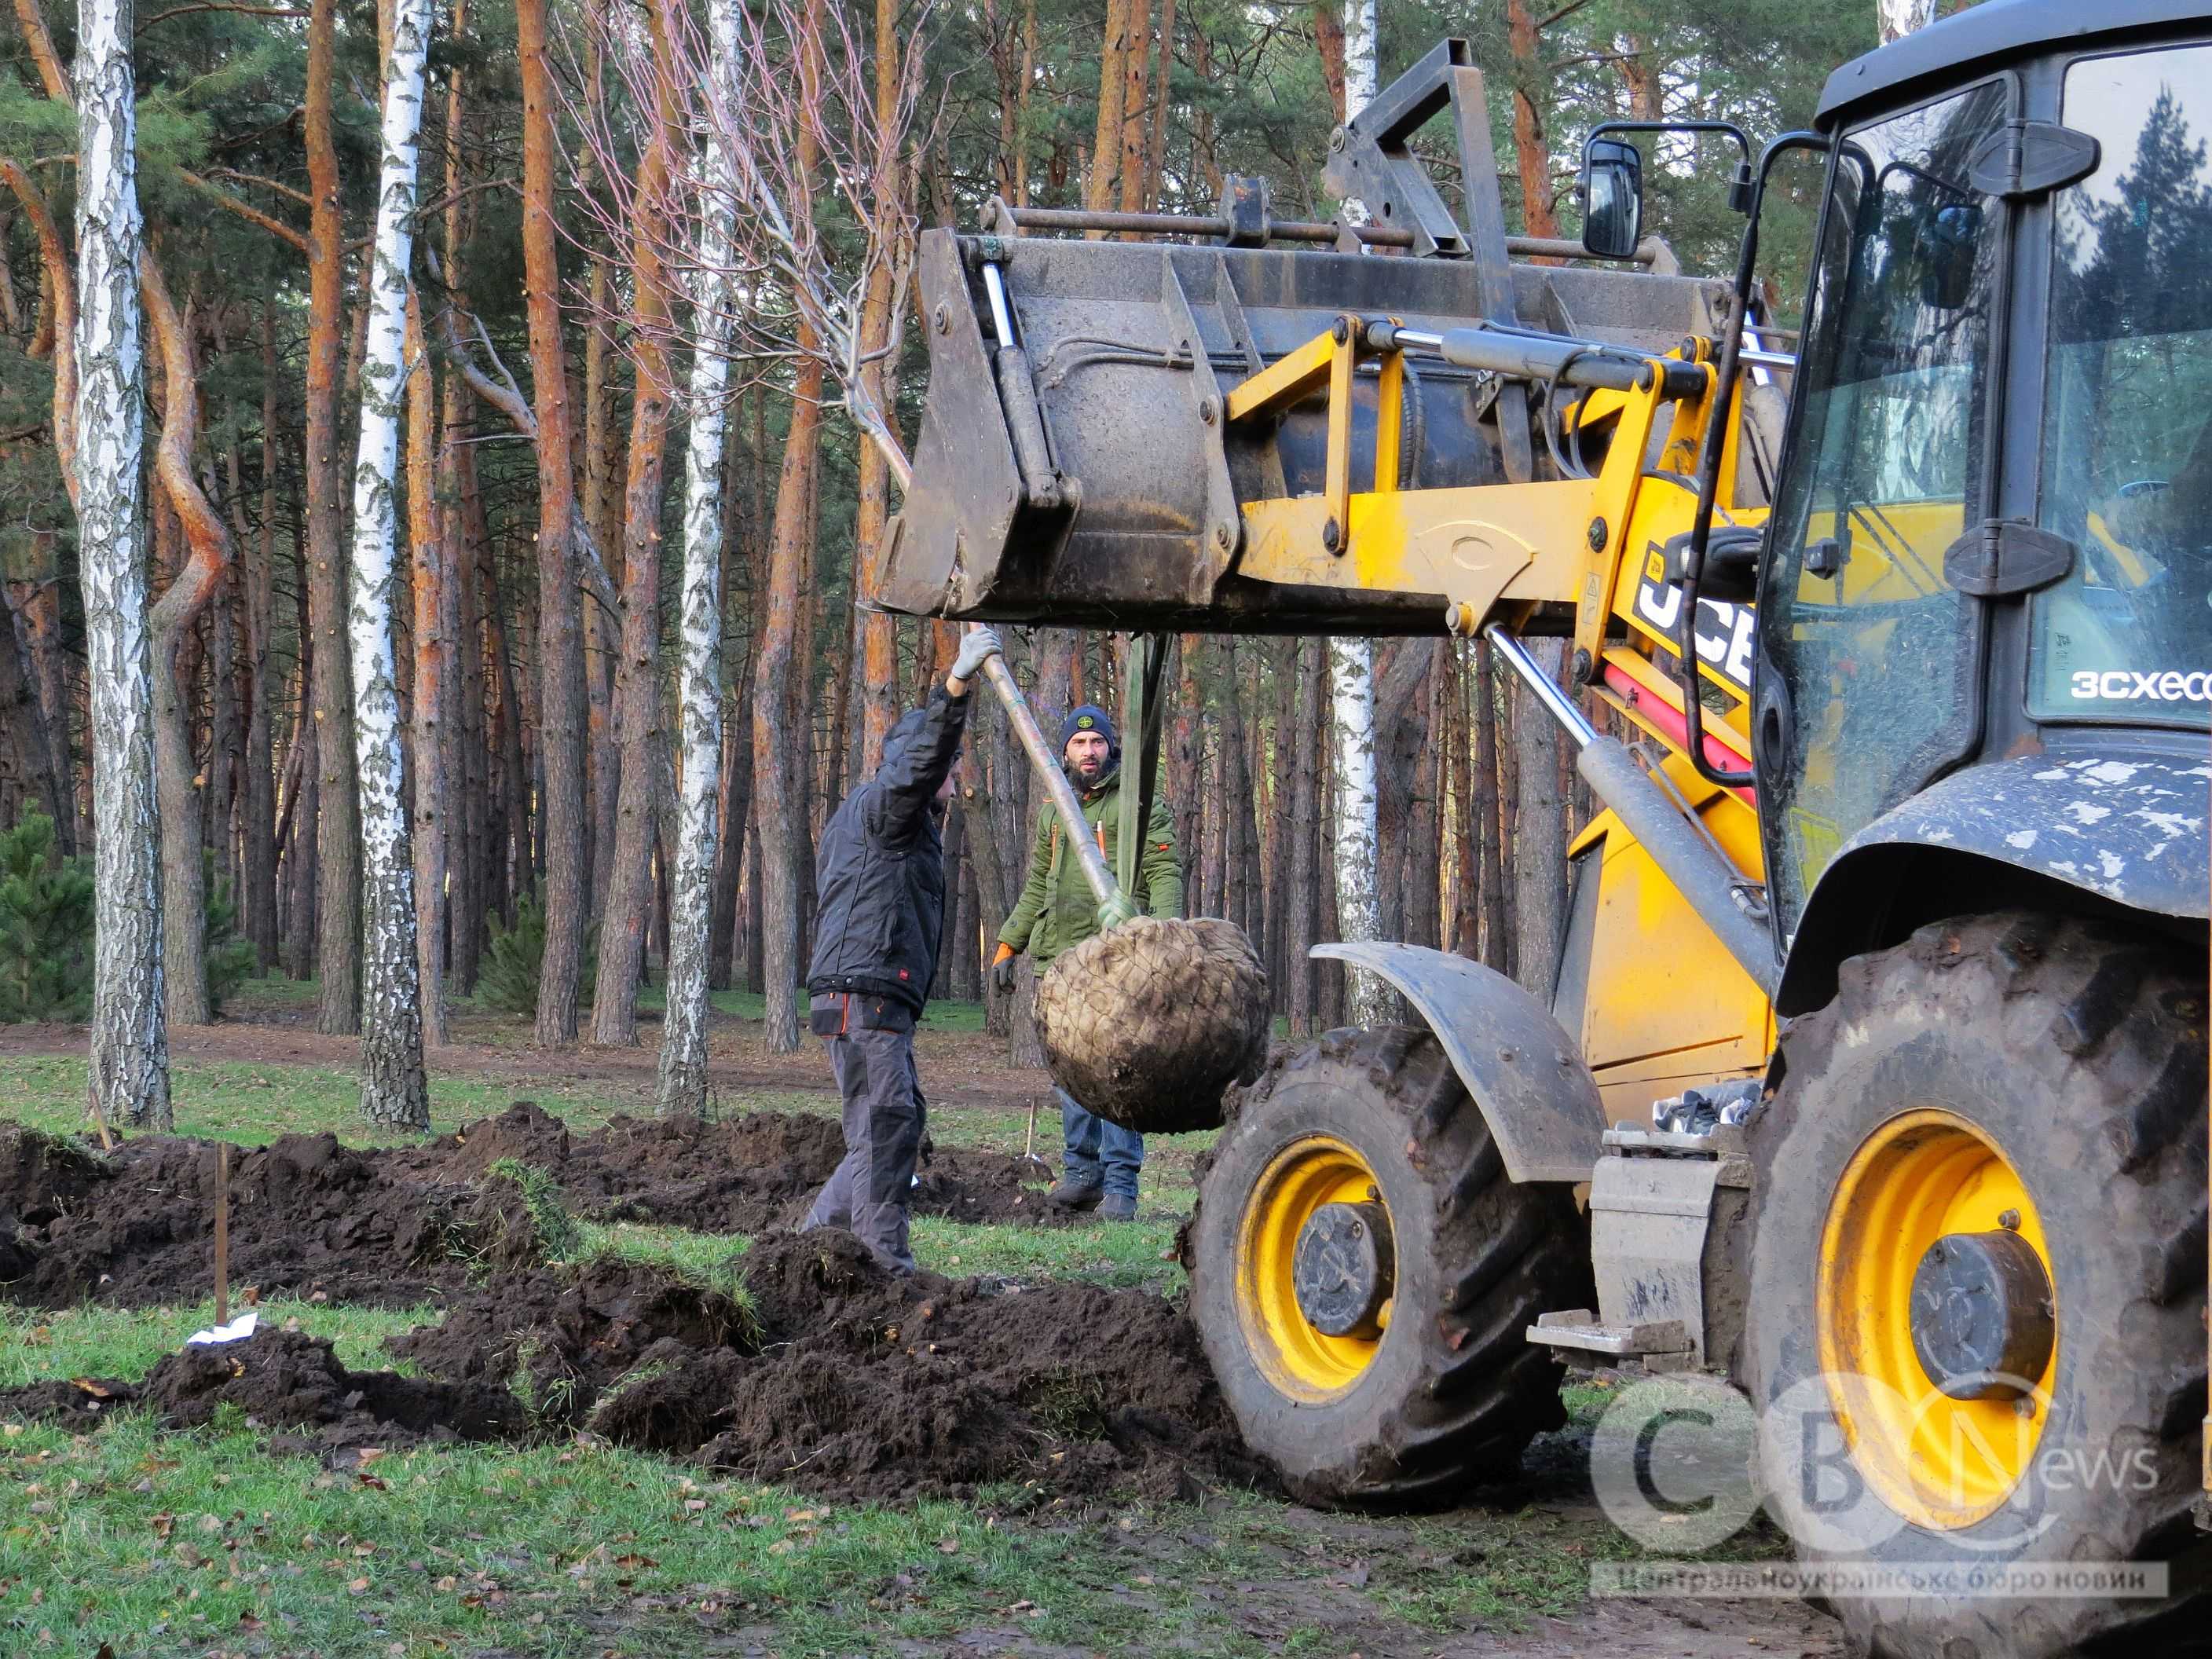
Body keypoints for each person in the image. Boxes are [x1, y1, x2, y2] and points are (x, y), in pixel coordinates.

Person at [801, 624, 1002, 1273]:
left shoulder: (881, 822)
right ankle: (885, 1266)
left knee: (885, 1123)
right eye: (943, 763)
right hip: (867, 997)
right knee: (887, 1121)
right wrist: (956, 685)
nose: (951, 772)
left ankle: (810, 1248)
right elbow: (916, 763)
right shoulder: (887, 808)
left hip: (861, 996)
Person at [991, 703, 1181, 1221]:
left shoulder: (1138, 802)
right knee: (1070, 1071)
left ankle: (1121, 1186)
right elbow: (1037, 883)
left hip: (1117, 960)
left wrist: (1163, 941)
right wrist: (1011, 941)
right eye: (1079, 744)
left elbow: (1164, 871)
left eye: (1097, 742)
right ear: (1065, 752)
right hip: (1060, 959)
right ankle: (1082, 1174)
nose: (1089, 751)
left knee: (1119, 1073)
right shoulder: (1056, 808)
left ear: (1110, 747)